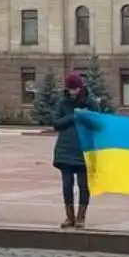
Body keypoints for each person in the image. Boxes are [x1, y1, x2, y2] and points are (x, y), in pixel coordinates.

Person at [51, 72, 93, 228]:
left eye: (75, 89)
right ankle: (69, 217)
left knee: (83, 185)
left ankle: (81, 217)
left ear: (80, 88)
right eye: (70, 89)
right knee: (67, 185)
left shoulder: (90, 102)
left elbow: (98, 122)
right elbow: (56, 122)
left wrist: (85, 116)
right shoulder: (63, 102)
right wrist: (73, 117)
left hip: (84, 150)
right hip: (65, 150)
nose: (72, 92)